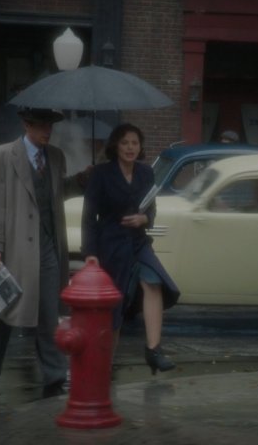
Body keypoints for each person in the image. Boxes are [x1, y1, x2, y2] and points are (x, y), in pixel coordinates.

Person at [0, 107, 85, 400]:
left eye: (50, 126)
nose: (47, 131)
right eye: (40, 126)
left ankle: (55, 376)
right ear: (26, 125)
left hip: (48, 247)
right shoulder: (1, 156)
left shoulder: (56, 157)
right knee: (3, 315)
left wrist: (82, 180)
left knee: (48, 315)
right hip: (14, 249)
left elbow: (54, 194)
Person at [81, 123, 180, 375]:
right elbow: (89, 216)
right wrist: (90, 253)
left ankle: (153, 350)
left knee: (154, 282)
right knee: (115, 305)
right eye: (125, 143)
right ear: (115, 146)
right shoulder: (101, 174)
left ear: (141, 147)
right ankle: (105, 364)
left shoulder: (146, 173)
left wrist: (144, 219)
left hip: (137, 242)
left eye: (135, 143)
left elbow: (152, 209)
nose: (130, 148)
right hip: (111, 245)